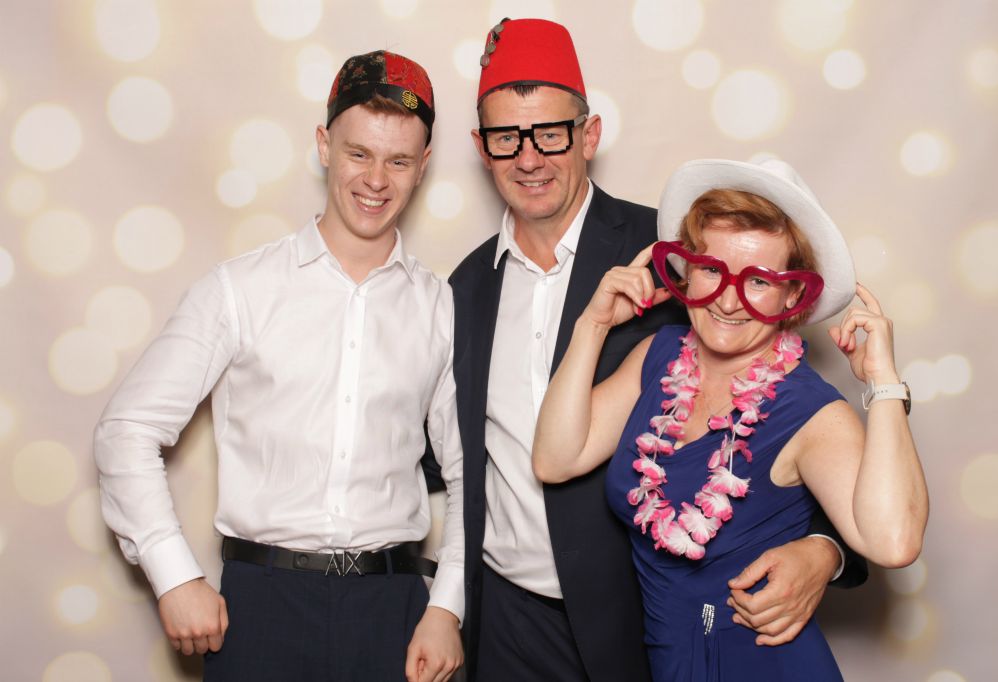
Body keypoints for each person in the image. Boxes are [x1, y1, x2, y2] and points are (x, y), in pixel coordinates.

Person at [448, 18, 867, 682]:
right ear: (482, 147)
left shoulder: (686, 258)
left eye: (550, 133)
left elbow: (785, 411)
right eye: (506, 138)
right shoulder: (466, 287)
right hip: (506, 621)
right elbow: (453, 459)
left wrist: (826, 550)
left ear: (589, 135)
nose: (529, 158)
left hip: (639, 625)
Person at [94, 50, 464, 682]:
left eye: (399, 160)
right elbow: (126, 430)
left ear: (423, 165)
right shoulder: (239, 289)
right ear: (324, 146)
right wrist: (173, 574)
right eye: (358, 153)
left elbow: (466, 472)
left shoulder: (439, 306)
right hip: (260, 608)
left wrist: (448, 607)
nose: (376, 180)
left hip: (395, 612)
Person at [532, 157, 928, 679]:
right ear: (687, 270)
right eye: (713, 270)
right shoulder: (658, 355)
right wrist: (593, 324)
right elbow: (555, 458)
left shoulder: (809, 410)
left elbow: (894, 542)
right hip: (667, 659)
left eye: (758, 281)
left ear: (792, 295)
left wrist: (883, 382)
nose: (728, 299)